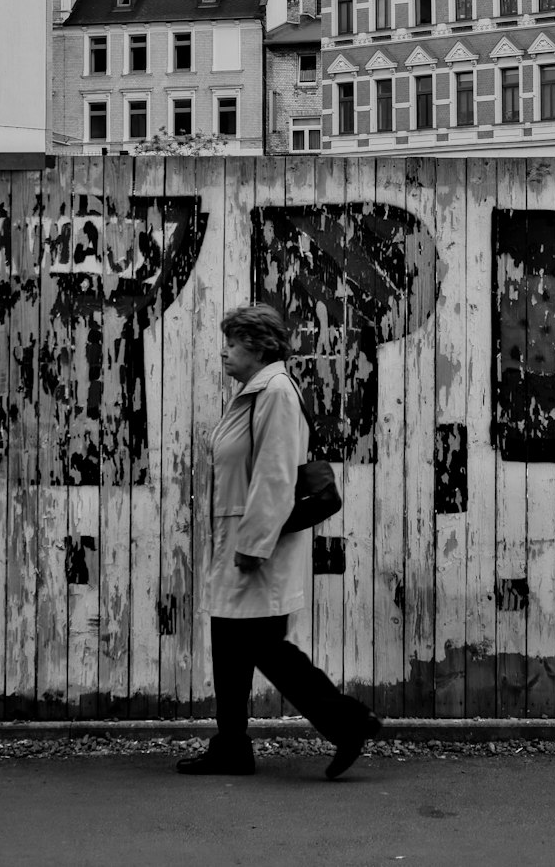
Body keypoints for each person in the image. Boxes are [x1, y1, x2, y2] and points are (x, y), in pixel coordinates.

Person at [177, 302, 381, 779]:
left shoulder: (274, 393)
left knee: (265, 649)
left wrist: (252, 545)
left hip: (255, 546)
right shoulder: (253, 393)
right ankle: (231, 746)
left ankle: (349, 722)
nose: (223, 352)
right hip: (241, 540)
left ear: (257, 346)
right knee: (233, 646)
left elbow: (273, 476)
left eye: (231, 343)